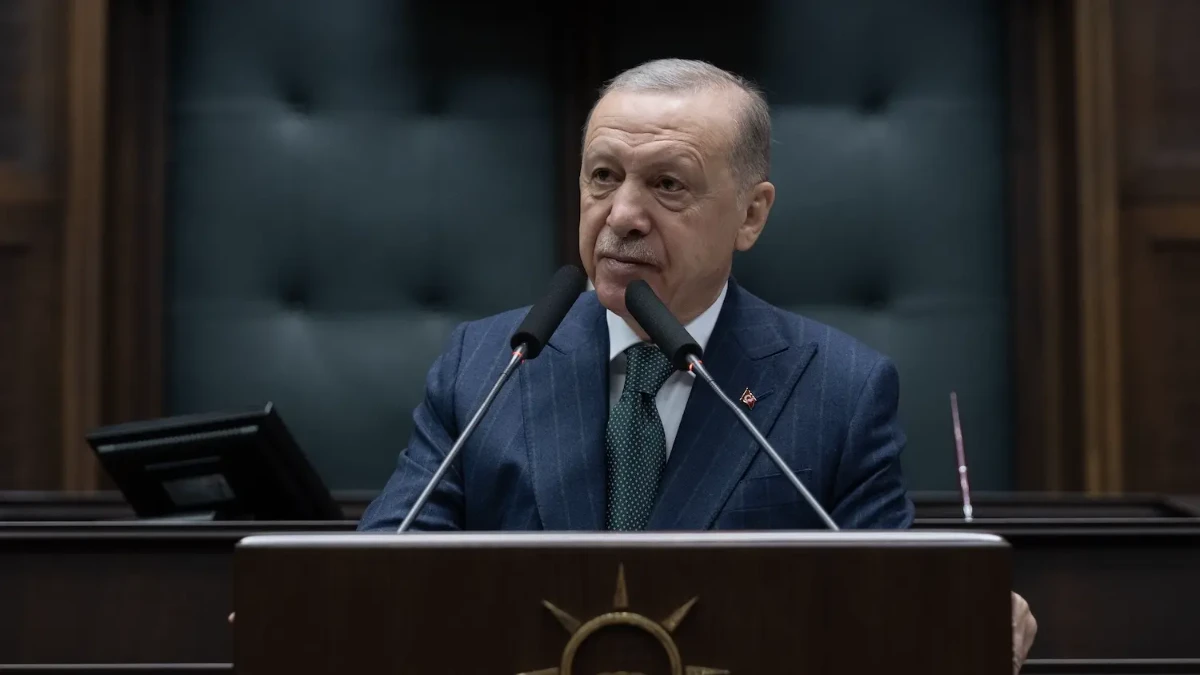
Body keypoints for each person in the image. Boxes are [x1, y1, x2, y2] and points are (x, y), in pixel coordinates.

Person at [357, 58, 1036, 671]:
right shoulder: (487, 363)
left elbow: (892, 610)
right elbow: (378, 580)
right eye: (603, 177)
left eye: (667, 184)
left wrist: (956, 621)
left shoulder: (840, 388)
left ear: (751, 215)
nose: (622, 215)